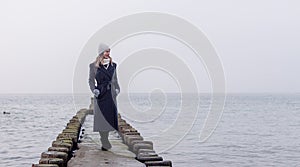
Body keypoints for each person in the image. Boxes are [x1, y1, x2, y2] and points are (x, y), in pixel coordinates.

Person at [88, 43, 120, 151]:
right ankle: (104, 140)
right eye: (106, 51)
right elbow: (91, 80)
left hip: (111, 93)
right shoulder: (93, 66)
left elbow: (115, 79)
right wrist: (94, 90)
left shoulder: (113, 65)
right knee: (101, 118)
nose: (108, 53)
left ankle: (105, 139)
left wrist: (117, 89)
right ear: (101, 53)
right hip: (100, 94)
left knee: (109, 118)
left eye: (109, 51)